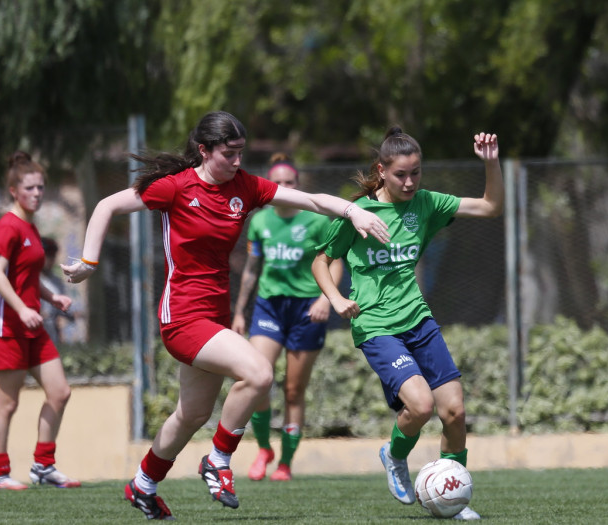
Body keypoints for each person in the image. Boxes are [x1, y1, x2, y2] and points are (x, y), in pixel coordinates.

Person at [61, 111, 390, 520]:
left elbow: (311, 200)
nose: (237, 162)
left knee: (192, 414)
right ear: (204, 150)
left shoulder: (245, 187)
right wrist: (89, 262)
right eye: (229, 154)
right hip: (181, 317)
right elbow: (107, 205)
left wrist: (352, 211)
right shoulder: (175, 188)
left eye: (241, 153)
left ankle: (142, 485)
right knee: (259, 373)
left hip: (212, 318)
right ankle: (218, 460)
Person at [311, 127, 502, 521]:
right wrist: (337, 299)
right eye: (401, 175)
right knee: (421, 405)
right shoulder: (360, 212)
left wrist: (491, 163)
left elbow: (489, 207)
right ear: (382, 170)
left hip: (418, 319)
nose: (411, 182)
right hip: (377, 326)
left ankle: (454, 492)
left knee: (454, 411)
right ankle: (395, 455)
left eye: (416, 173)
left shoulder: (427, 204)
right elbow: (321, 261)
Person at [230, 153, 344, 482]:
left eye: (289, 182)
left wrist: (327, 298)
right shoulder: (260, 221)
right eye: (276, 182)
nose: (283, 187)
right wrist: (239, 312)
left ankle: (285, 463)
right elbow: (252, 268)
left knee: (293, 390)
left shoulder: (317, 220)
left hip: (307, 308)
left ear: (298, 185)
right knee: (256, 377)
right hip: (269, 306)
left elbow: (336, 262)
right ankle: (264, 448)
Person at [0, 151, 80, 491]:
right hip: (6, 325)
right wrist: (22, 309)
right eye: (30, 188)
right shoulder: (6, 227)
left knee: (60, 392)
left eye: (41, 187)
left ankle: (43, 466)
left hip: (32, 324)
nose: (37, 193)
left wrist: (51, 297)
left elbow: (27, 273)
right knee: (7, 402)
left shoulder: (30, 227)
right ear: (14, 191)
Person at [39, 237, 75, 343]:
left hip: (51, 331)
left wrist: (69, 314)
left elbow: (61, 310)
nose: (50, 260)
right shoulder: (31, 278)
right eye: (47, 255)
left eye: (52, 256)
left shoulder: (56, 282)